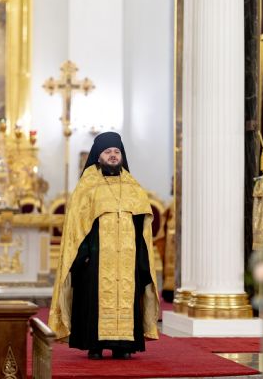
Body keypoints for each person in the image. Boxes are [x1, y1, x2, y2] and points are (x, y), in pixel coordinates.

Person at [49, 132, 160, 360]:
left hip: (128, 257)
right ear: (98, 156)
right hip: (96, 258)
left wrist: (140, 258)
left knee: (128, 297)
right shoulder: (87, 187)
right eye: (108, 152)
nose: (113, 155)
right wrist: (85, 256)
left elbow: (141, 226)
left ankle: (124, 346)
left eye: (116, 152)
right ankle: (95, 345)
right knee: (93, 299)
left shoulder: (133, 187)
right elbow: (77, 228)